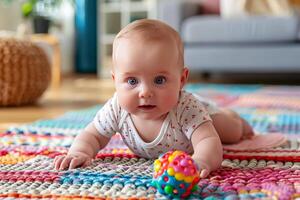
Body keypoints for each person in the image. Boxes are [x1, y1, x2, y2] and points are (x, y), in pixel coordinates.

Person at [54, 19, 254, 178]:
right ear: (115, 81)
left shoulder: (187, 108)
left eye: (159, 80)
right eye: (132, 81)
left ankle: (234, 118)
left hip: (200, 115)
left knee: (230, 132)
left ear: (181, 80)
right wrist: (80, 152)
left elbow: (208, 142)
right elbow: (93, 135)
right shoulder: (117, 108)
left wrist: (201, 160)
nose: (145, 92)